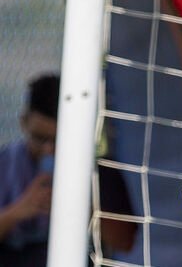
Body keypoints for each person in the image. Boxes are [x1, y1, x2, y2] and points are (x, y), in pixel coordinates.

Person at [0, 73, 136, 266]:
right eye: (39, 138)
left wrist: (80, 206)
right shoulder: (5, 163)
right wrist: (19, 210)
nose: (49, 149)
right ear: (24, 122)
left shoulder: (100, 173)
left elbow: (125, 242)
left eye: (58, 139)